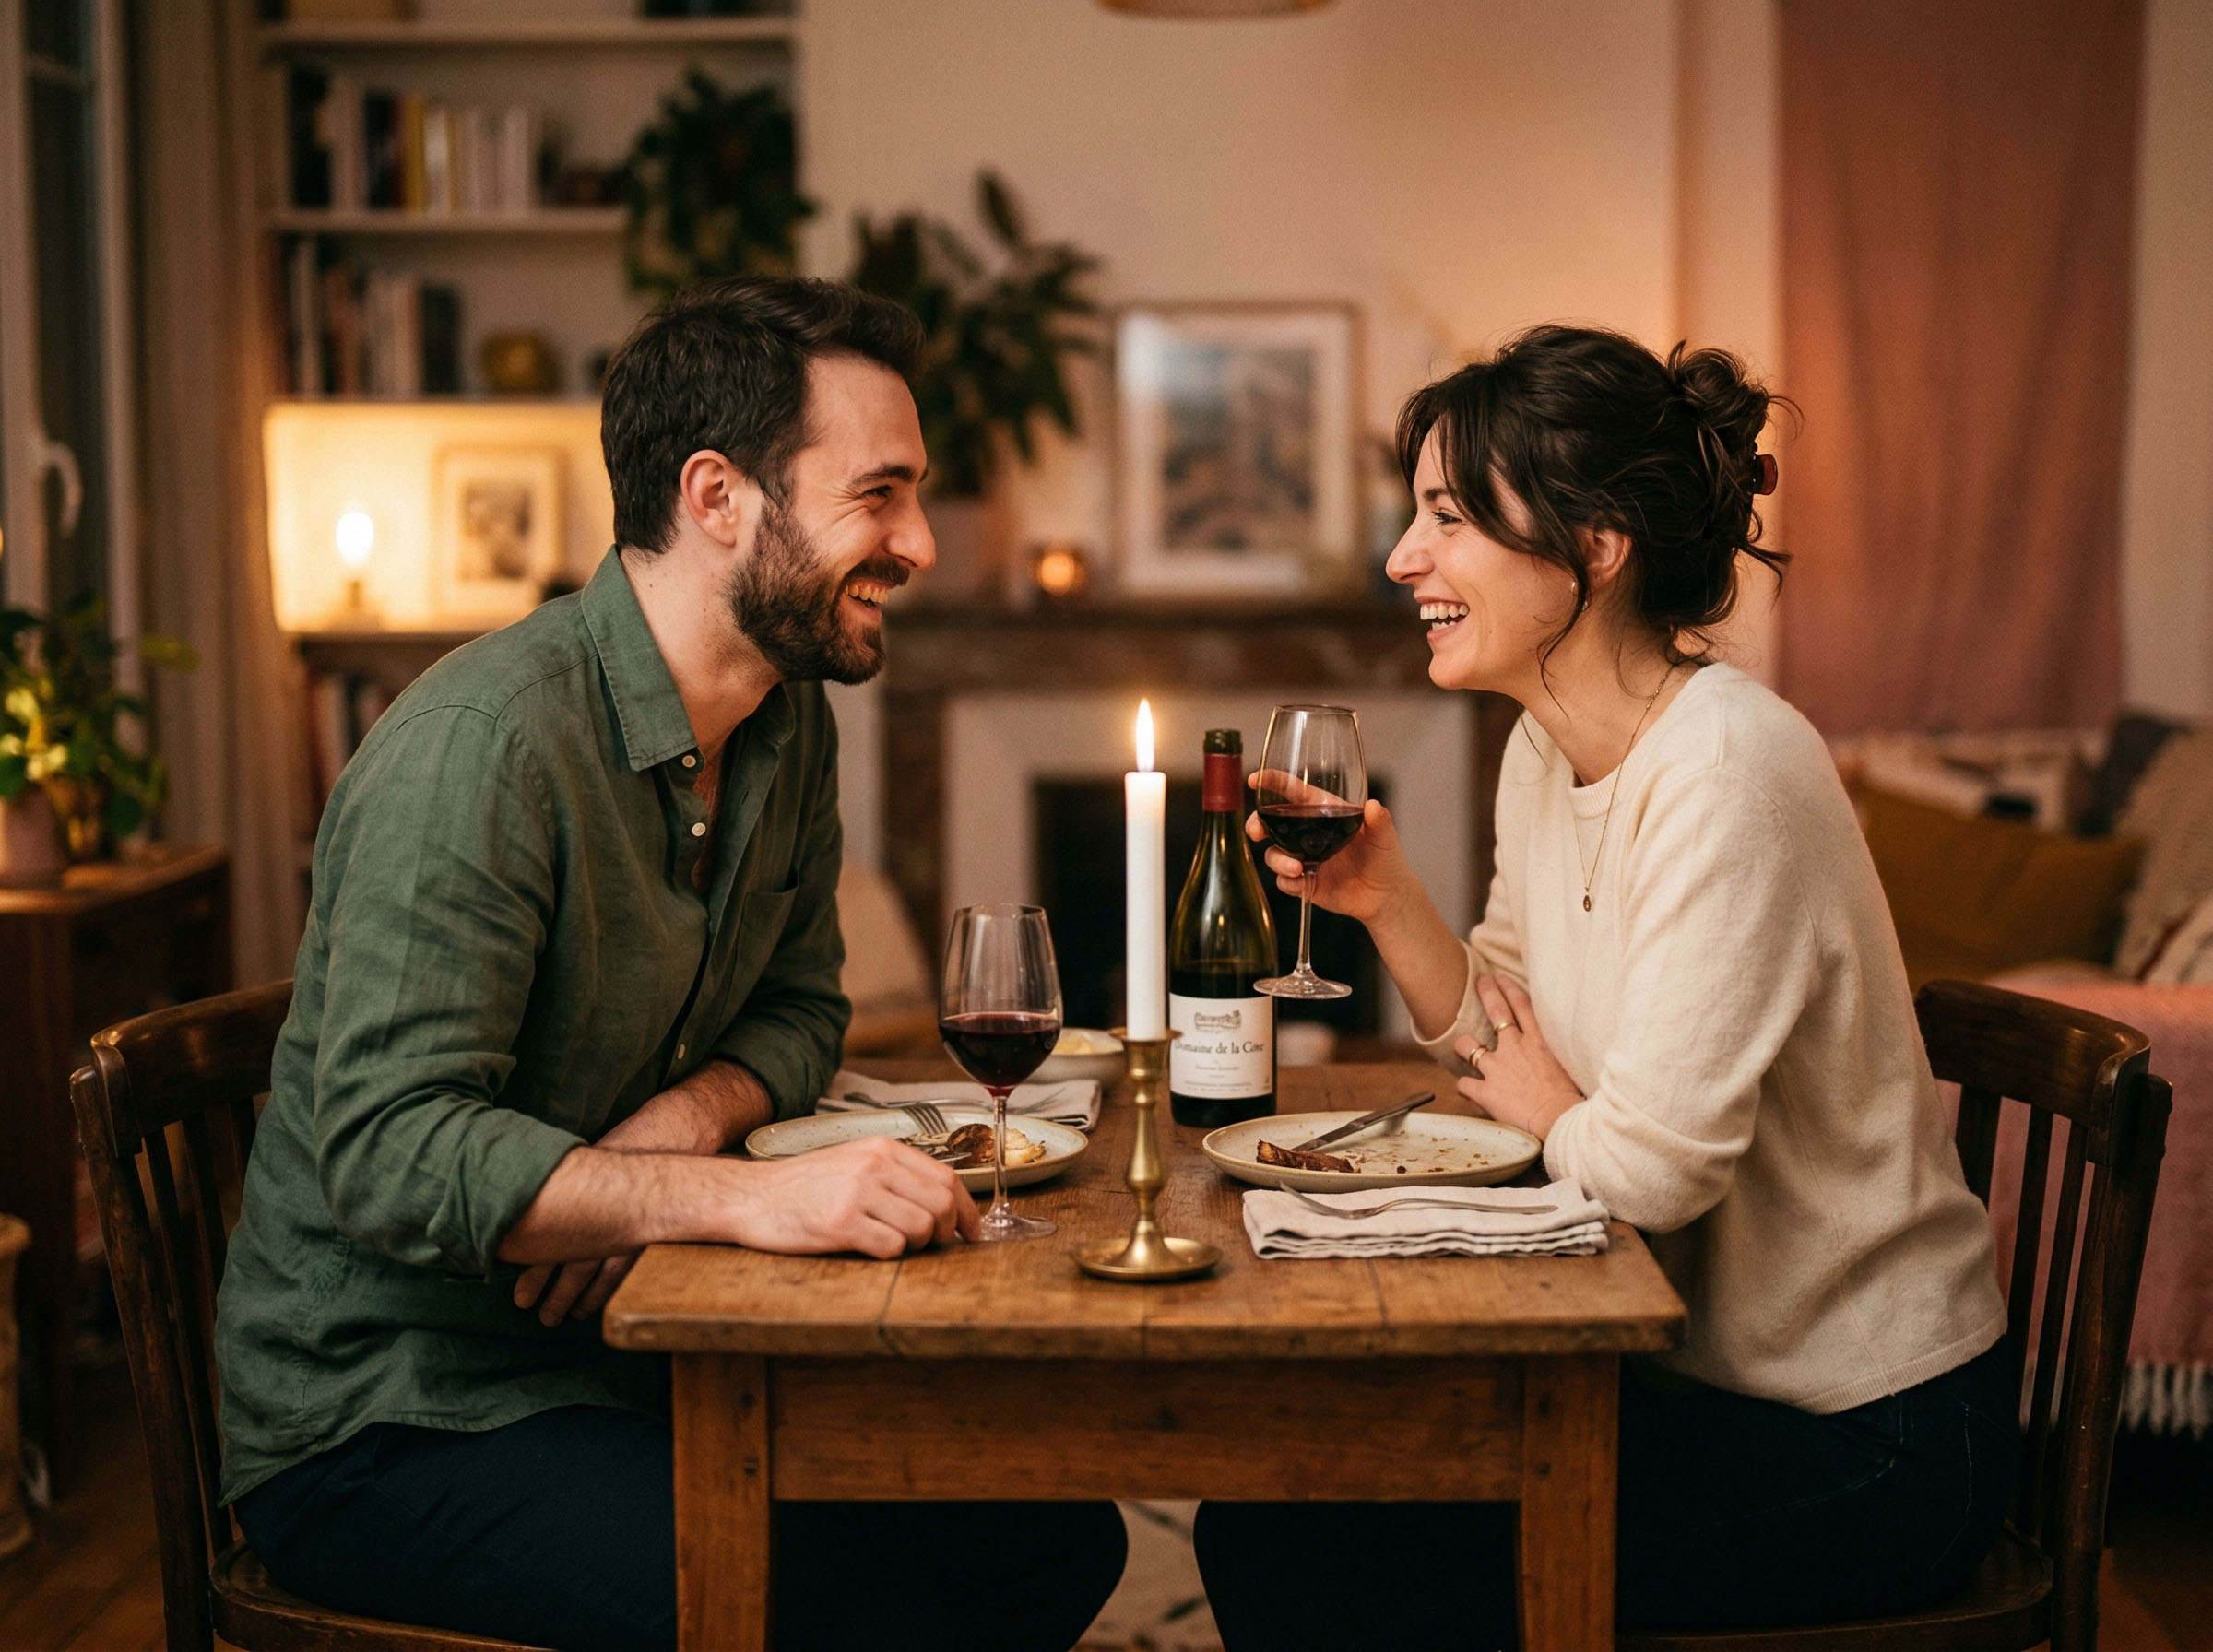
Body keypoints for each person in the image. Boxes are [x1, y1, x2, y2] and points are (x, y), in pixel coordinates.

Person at [215, 277, 1126, 1652]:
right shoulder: (486, 749)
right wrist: (738, 1203)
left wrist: (669, 1140)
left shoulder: (783, 719)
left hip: (632, 1346)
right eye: (878, 495)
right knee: (853, 1614)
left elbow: (801, 1002)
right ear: (717, 497)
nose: (922, 543)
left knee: (1051, 1537)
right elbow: (392, 1152)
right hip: (395, 1414)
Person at [1193, 325, 2015, 1648]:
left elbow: (1646, 1176)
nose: (1404, 559)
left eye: (1448, 519)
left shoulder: (1729, 768)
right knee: (1274, 1505)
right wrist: (1387, 900)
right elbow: (1501, 1042)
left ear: (1593, 545)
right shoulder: (1545, 746)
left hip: (1869, 1433)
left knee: (1323, 1564)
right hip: (1686, 1374)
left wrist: (1542, 1099)